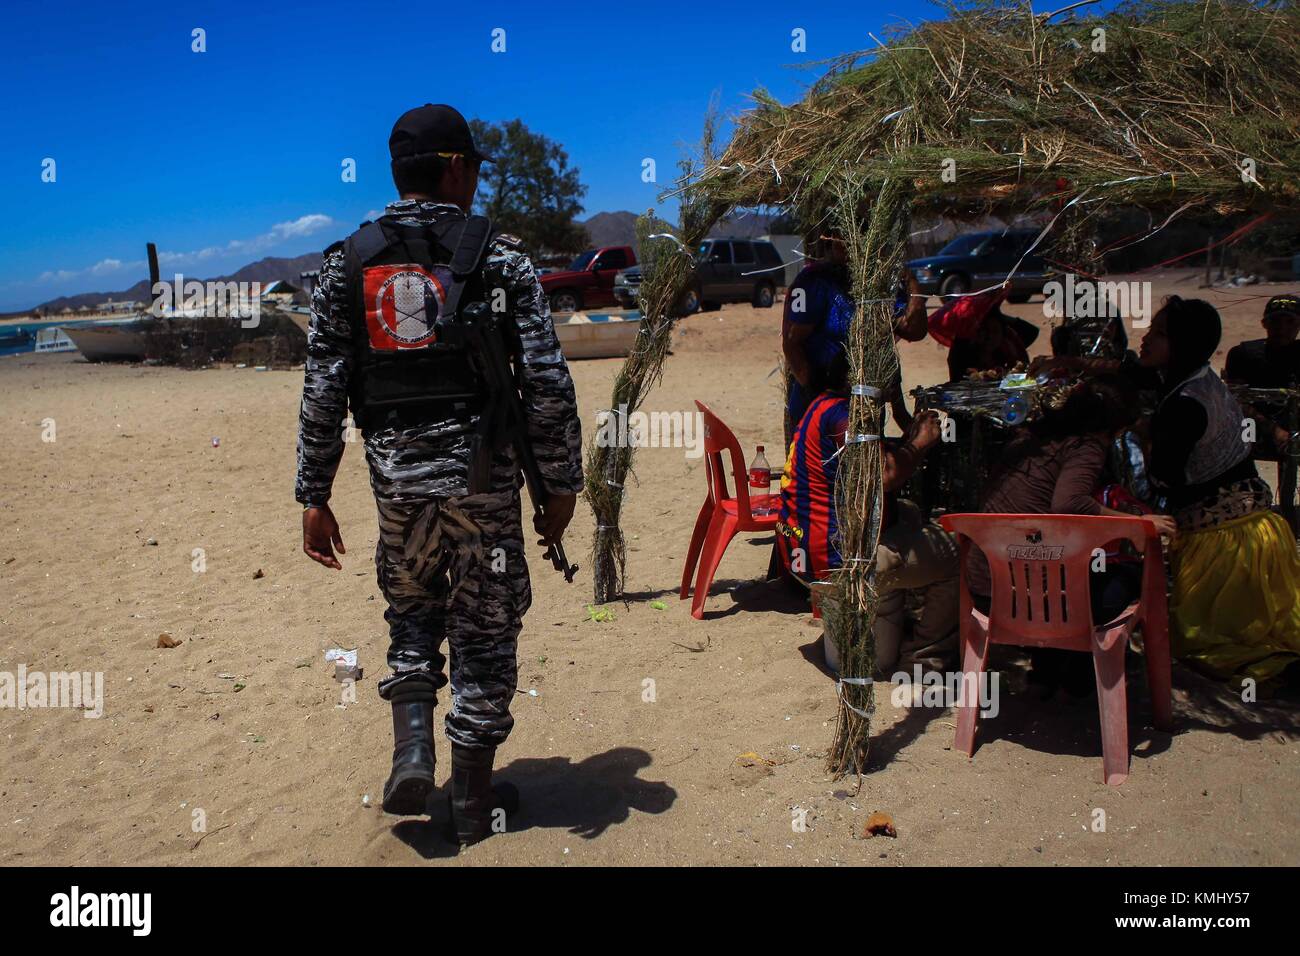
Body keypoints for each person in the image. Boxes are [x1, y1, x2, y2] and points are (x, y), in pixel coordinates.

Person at [295, 104, 584, 845]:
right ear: (455, 167)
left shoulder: (346, 264)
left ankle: (413, 751)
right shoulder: (502, 257)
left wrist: (314, 493)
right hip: (482, 479)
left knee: (414, 606)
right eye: (477, 167)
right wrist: (560, 484)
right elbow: (547, 383)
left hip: (397, 485)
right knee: (486, 629)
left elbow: (324, 386)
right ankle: (469, 802)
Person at [966, 377, 1177, 695]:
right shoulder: (1086, 445)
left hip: (987, 591)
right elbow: (1070, 503)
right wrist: (1138, 523)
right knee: (1127, 575)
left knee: (1061, 566)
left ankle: (1052, 670)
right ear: (1111, 429)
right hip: (1035, 600)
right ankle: (1083, 674)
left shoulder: (1029, 439)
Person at [1134, 296, 1300, 684]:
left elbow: (1163, 479)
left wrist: (1141, 437)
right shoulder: (1201, 379)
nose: (1146, 340)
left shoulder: (1186, 404)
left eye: (1158, 335)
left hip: (1225, 548)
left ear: (1182, 344)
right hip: (1258, 531)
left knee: (1209, 643)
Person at [776, 353, 957, 673]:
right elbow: (886, 476)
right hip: (834, 561)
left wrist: (907, 437)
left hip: (801, 549)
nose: (893, 386)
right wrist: (919, 442)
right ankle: (923, 655)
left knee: (911, 514)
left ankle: (895, 608)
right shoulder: (847, 418)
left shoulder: (822, 406)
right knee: (956, 552)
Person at [781, 228, 926, 443]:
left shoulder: (880, 285)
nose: (851, 244)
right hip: (818, 403)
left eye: (861, 236)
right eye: (843, 237)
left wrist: (911, 283)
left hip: (867, 402)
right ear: (830, 241)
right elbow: (793, 343)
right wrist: (820, 399)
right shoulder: (813, 281)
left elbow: (915, 330)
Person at [1223, 293, 1300, 460]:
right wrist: (1274, 430)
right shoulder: (1244, 355)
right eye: (1275, 321)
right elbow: (1236, 402)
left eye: (1290, 322)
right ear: (1264, 323)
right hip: (1253, 428)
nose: (1282, 328)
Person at [929, 284, 1040, 381]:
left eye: (995, 331)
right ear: (973, 334)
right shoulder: (962, 351)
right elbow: (957, 380)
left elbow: (1032, 331)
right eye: (983, 332)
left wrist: (1000, 316)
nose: (990, 337)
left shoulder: (1009, 343)